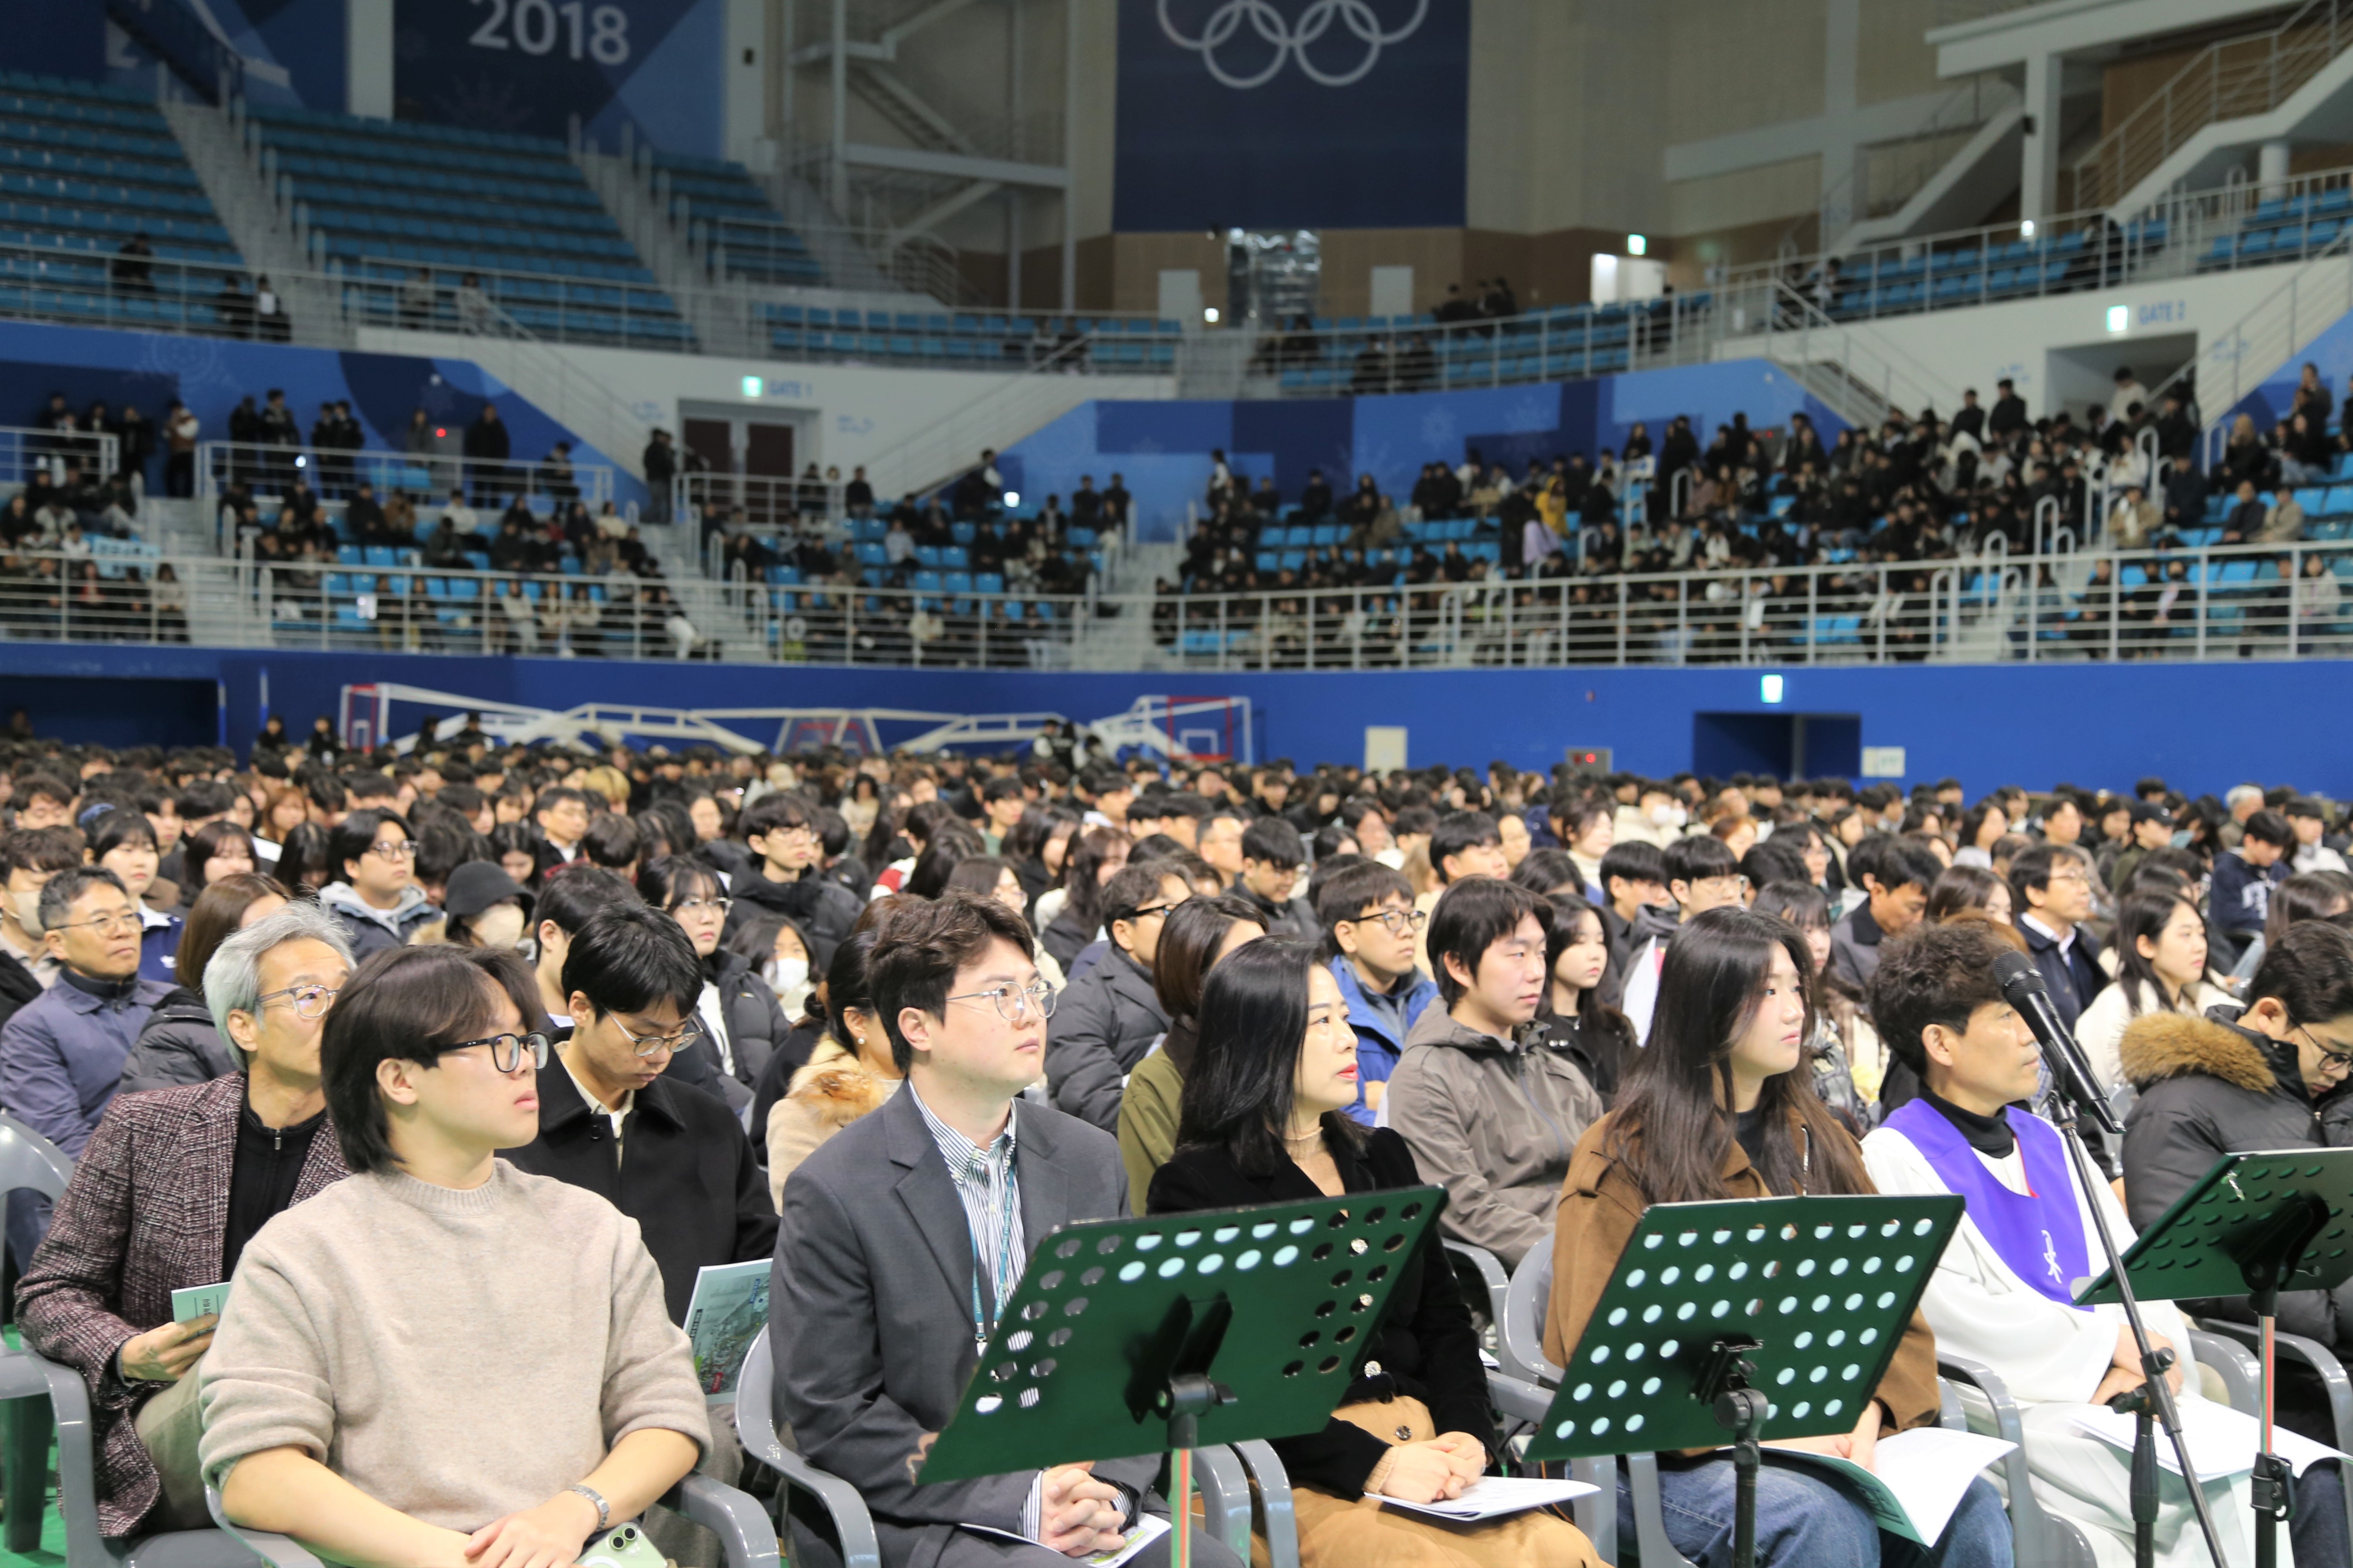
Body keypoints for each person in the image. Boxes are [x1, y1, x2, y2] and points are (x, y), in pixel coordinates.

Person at [199, 942, 711, 1563]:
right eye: (497, 1046)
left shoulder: (591, 1228)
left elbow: (668, 1414)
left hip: (584, 1545)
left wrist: (574, 1511)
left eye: (527, 1043)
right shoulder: (303, 1251)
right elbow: (257, 1472)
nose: (525, 1065)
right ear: (399, 1078)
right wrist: (461, 1557)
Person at [769, 892, 1238, 1568]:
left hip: (1080, 1483)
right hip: (931, 1512)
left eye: (1032, 990)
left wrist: (1108, 1484)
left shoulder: (1086, 1157)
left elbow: (1140, 1356)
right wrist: (1017, 1500)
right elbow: (834, 1415)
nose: (1028, 1013)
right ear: (917, 1027)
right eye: (997, 996)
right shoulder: (838, 1188)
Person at [1546, 906, 2013, 1568]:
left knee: (1969, 1509)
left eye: (1796, 987)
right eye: (1766, 992)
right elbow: (1605, 1351)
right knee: (1817, 1520)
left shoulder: (1816, 1134)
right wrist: (1772, 1428)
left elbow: (1892, 1311)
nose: (1794, 1009)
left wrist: (1871, 1409)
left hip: (1819, 1434)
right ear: (1707, 1005)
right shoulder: (1623, 1152)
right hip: (1661, 1459)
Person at [1860, 918, 2323, 1568]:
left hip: (2123, 1388)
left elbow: (2133, 1269)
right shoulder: (1894, 1155)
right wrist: (2104, 1349)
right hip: (2019, 1408)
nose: (2033, 1037)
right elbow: (1948, 1316)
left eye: (2030, 1014)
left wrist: (2149, 1356)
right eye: (2006, 1017)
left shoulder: (2052, 1140)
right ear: (1939, 1041)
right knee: (2218, 1490)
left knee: (2304, 1473)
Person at [1148, 937, 1600, 1568]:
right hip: (1299, 1467)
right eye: (1321, 1022)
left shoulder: (1381, 1156)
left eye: (1344, 1016)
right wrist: (1377, 1464)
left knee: (1562, 1547)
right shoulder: (1197, 1185)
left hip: (1430, 1449)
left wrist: (1468, 1434)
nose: (1347, 1038)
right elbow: (1231, 1384)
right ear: (1257, 1043)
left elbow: (1442, 1323)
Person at [16, 903, 354, 1536]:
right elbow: (49, 1292)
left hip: (344, 1417)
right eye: (310, 995)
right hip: (175, 1411)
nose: (338, 1012)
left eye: (348, 993)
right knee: (237, 1365)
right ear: (243, 1027)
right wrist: (127, 1352)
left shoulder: (385, 1142)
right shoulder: (146, 1127)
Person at [507, 905, 775, 1326]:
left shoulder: (709, 1123)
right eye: (644, 1036)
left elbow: (760, 1257)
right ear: (580, 1007)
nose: (662, 1056)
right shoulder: (509, 1124)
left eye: (678, 1035)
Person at [2119, 922, 2353, 1404]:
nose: (2343, 1072)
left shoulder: (2335, 1091)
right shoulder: (2179, 1107)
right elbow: (2204, 1275)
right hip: (2291, 1379)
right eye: (2334, 1055)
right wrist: (2339, 1316)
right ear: (2269, 1013)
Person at [1386, 877, 1602, 1270]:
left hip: (1593, 1257)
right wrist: (1583, 1252)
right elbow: (1463, 1209)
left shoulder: (1559, 1071)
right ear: (1458, 966)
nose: (1537, 971)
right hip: (1518, 1282)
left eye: (1541, 953)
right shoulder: (1425, 1076)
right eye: (1517, 955)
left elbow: (1614, 1174)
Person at [0, 868, 173, 1266]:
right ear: (57, 942)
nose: (122, 930)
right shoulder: (33, 1027)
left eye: (129, 916)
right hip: (96, 1202)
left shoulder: (174, 1003)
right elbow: (61, 1139)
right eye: (102, 921)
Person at [1116, 894, 1263, 1201]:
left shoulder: (1291, 1054)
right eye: (1248, 964)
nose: (1272, 976)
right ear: (1197, 980)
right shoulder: (1154, 1084)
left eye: (1269, 958)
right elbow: (1162, 1223)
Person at [1044, 859, 1187, 1131]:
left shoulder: (1207, 985)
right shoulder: (1081, 1003)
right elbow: (1100, 1111)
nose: (1189, 923)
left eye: (1192, 910)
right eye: (1170, 911)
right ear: (1124, 932)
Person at [640, 855, 791, 1111]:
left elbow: (787, 1059)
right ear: (654, 911)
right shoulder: (646, 990)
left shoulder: (750, 983)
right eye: (691, 903)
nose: (708, 917)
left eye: (716, 903)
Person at [120, 873, 289, 1093]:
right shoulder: (171, 1043)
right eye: (261, 939)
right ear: (214, 950)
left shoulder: (310, 1010)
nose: (287, 949)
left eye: (291, 932)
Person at [764, 929, 898, 1205]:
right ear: (858, 1022)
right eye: (901, 1008)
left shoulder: (951, 1093)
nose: (921, 1021)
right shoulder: (804, 1116)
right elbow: (804, 1229)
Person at [1317, 860, 1439, 1123]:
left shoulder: (1437, 1000)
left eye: (1410, 917)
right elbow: (1338, 1116)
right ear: (1348, 935)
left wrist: (1388, 1098)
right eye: (1391, 918)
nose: (1408, 932)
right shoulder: (1320, 1014)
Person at [2074, 890, 2231, 1092]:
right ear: (2147, 945)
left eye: (2201, 934)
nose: (2200, 946)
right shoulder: (2116, 1008)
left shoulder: (2201, 999)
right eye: (2186, 935)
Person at [1621, 834, 1752, 1041]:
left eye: (1736, 881)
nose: (1731, 893)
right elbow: (1638, 1036)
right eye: (1717, 883)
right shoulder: (1660, 953)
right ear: (1681, 890)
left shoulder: (1748, 942)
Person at [721, 793, 864, 970]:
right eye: (786, 833)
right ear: (759, 844)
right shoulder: (734, 913)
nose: (801, 841)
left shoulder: (836, 903)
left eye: (805, 831)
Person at [1535, 891, 1638, 1102]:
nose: (1595, 954)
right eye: (1579, 942)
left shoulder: (1616, 1027)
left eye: (1600, 942)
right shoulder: (1530, 1032)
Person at [315, 808, 440, 960]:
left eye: (405, 847)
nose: (399, 858)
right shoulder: (327, 924)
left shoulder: (433, 918)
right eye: (385, 849)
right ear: (352, 867)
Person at [1826, 837, 1941, 991]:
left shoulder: (1930, 934)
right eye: (1914, 909)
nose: (1922, 919)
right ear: (1878, 893)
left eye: (1928, 910)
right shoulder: (1842, 941)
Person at [2011, 842, 2105, 1031]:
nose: (2085, 889)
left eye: (2085, 879)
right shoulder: (2014, 947)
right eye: (2071, 878)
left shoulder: (2085, 943)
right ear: (2036, 893)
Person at [2210, 808, 2293, 963]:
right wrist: (2276, 928)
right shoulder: (2227, 871)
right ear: (2250, 841)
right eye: (2270, 847)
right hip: (2241, 951)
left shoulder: (2281, 871)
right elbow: (2227, 919)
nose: (2276, 854)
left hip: (2279, 945)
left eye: (2280, 848)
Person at [1235, 817, 1316, 937]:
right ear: (1250, 867)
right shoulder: (1231, 919)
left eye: (1294, 871)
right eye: (1279, 872)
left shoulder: (1305, 910)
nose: (1289, 881)